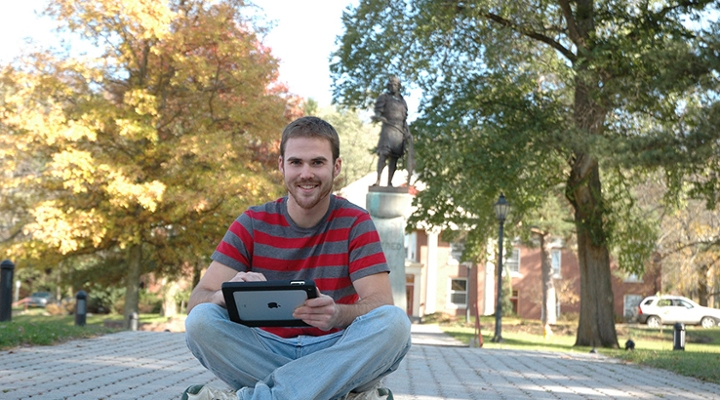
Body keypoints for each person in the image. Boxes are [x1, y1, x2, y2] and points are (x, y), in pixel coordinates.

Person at [183, 116, 412, 400]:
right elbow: (197, 300)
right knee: (201, 320)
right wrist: (222, 294)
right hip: (265, 350)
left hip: (335, 347)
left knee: (394, 323)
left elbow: (381, 302)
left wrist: (337, 314)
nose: (306, 173)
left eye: (317, 162)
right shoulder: (252, 222)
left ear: (336, 167)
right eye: (296, 162)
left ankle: (256, 397)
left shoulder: (356, 222)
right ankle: (330, 390)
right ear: (281, 165)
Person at [371, 76, 411, 187]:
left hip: (399, 132)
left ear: (398, 86)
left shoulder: (403, 102)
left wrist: (407, 132)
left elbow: (405, 119)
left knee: (394, 158)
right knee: (384, 153)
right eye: (391, 84)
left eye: (395, 84)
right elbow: (378, 113)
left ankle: (389, 182)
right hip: (388, 128)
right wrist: (380, 117)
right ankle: (378, 180)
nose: (393, 86)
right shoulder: (384, 98)